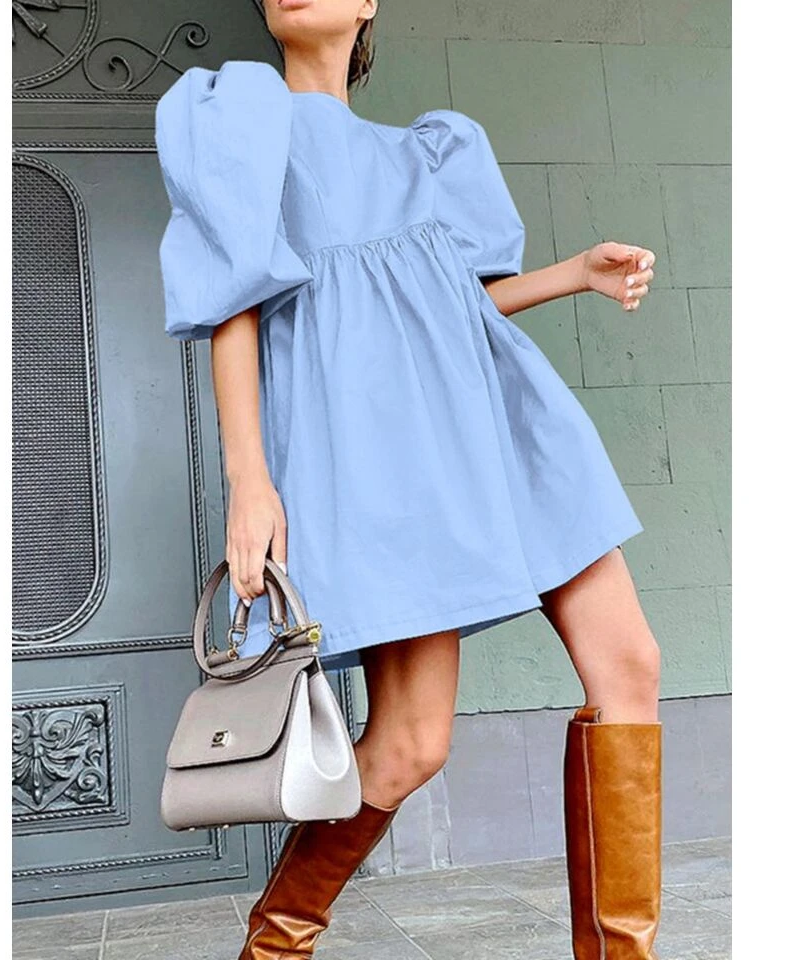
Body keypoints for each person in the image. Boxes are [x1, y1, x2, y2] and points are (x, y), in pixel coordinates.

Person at [154, 2, 662, 958]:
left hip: (504, 426)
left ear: (368, 3)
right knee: (408, 745)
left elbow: (454, 307)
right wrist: (250, 480)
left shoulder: (433, 150)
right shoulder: (240, 117)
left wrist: (573, 273)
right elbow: (234, 309)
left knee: (630, 665)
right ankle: (272, 946)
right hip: (389, 461)